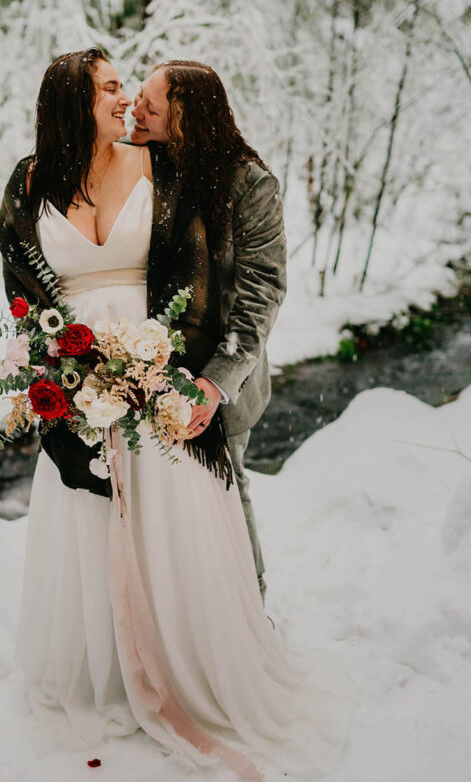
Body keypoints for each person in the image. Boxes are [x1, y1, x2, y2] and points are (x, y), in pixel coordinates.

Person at [0, 48, 351, 780]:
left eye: (141, 92)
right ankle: (106, 669)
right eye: (113, 87)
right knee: (89, 517)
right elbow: (22, 289)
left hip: (165, 367)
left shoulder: (167, 171)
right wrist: (54, 381)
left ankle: (219, 644)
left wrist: (184, 376)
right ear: (72, 100)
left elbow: (210, 281)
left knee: (191, 518)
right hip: (77, 368)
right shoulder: (27, 182)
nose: (130, 102)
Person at [131, 59, 285, 602]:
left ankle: (248, 611)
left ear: (186, 115)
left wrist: (214, 384)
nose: (136, 107)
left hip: (219, 378)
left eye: (151, 103)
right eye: (138, 95)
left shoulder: (249, 184)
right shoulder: (137, 167)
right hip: (142, 375)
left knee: (224, 493)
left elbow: (262, 292)